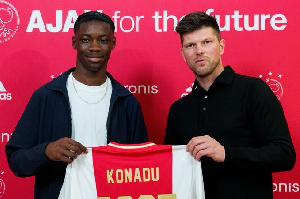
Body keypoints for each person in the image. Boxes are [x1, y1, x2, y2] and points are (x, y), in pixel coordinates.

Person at [5, 11, 148, 199]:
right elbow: (16, 160)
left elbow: (143, 168)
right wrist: (47, 151)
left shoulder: (127, 102)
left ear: (113, 43)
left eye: (103, 40)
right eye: (86, 40)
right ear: (74, 42)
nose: (95, 47)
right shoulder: (46, 96)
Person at [164, 11, 296, 199]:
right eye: (190, 45)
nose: (199, 50)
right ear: (183, 54)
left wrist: (226, 153)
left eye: (206, 42)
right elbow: (171, 169)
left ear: (222, 46)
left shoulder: (253, 90)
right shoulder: (179, 109)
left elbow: (284, 155)